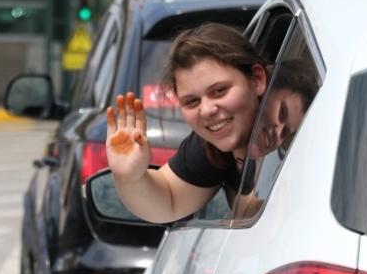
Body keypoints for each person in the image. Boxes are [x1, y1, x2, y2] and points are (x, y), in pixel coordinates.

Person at [105, 23, 316, 224]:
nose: (207, 110)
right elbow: (168, 199)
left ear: (258, 80)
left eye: (220, 91)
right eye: (192, 101)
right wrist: (130, 177)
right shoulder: (213, 146)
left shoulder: (319, 149)